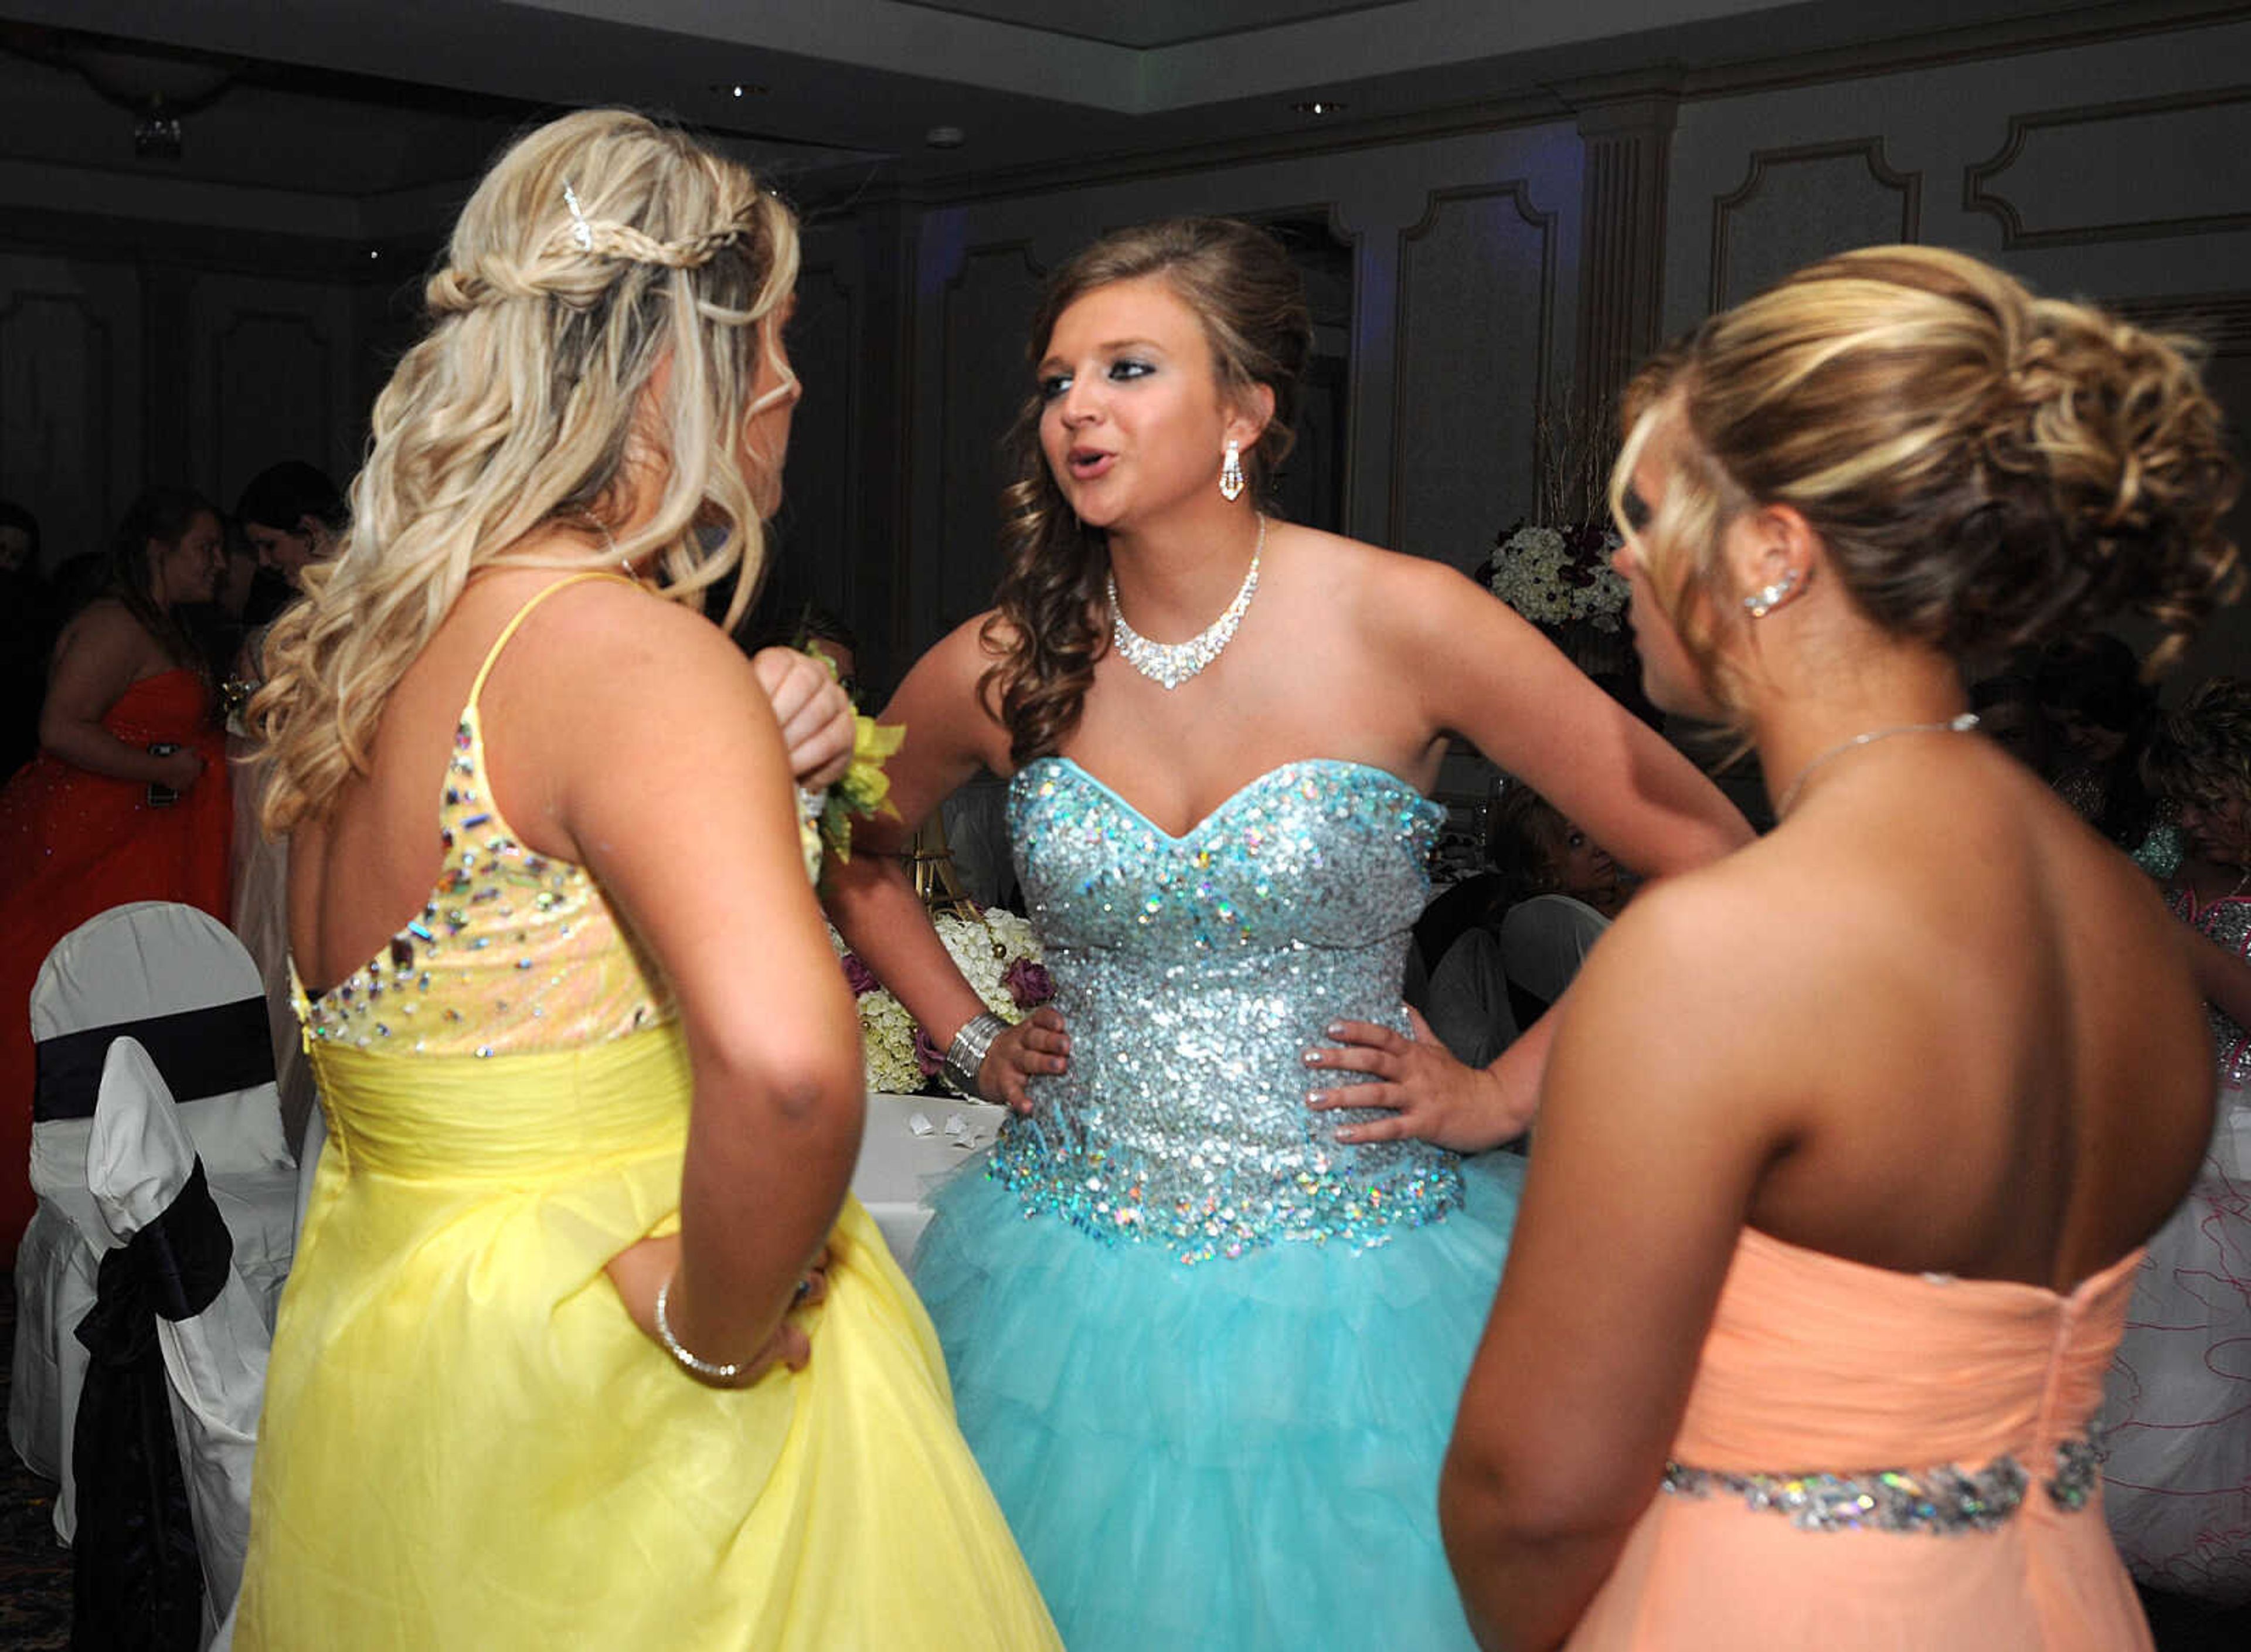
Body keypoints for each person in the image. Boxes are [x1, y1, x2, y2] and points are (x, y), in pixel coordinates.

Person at [822, 216, 1751, 1650]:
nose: (1078, 406)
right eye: (1060, 377)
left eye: (1130, 368)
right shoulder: (1005, 660)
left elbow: (1714, 860)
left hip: (1361, 1297)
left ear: (1247, 410)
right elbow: (858, 852)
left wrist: (1505, 1091)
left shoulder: (1411, 620)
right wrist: (973, 1034)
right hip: (1063, 1277)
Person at [232, 109, 1058, 1649]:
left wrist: (755, 753)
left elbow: (508, 951)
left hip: (398, 1348)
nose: (796, 385)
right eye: (773, 342)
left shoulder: (375, 651)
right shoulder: (626, 656)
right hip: (616, 1386)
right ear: (668, 362)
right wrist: (716, 1326)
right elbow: (797, 1074)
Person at [1437, 245, 2238, 1650]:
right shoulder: (2128, 919)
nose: (1622, 554)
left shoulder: (1723, 947)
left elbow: (1536, 1493)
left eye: (1653, 506)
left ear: (1771, 551)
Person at [0, 486, 230, 1253]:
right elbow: (59, 727)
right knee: (86, 1015)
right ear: (158, 550)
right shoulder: (113, 622)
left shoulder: (166, 626)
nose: (219, 561)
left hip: (144, 842)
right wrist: (155, 769)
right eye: (206, 546)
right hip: (100, 847)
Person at [2099, 675, 2251, 1607]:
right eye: (2182, 802)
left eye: (2216, 800)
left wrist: (2178, 946)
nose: (2194, 822)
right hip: (2168, 1130)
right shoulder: (2167, 856)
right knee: (2151, 1357)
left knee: (2221, 1357)